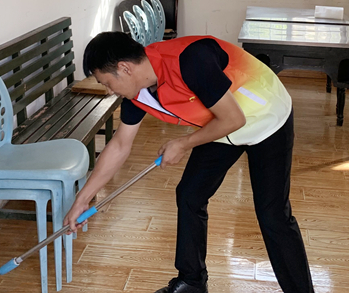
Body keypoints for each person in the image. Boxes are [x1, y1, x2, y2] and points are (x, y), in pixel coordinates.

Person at [64, 32, 314, 293]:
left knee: (273, 215)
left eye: (107, 83)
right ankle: (192, 282)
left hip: (266, 117)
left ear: (125, 68)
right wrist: (83, 199)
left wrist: (183, 144)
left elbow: (234, 119)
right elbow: (119, 145)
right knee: (190, 194)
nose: (109, 91)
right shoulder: (137, 93)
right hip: (221, 124)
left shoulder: (191, 59)